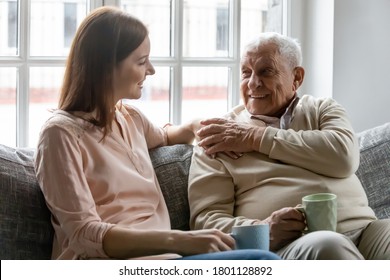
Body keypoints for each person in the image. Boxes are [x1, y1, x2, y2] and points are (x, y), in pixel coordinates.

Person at [34, 6, 280, 260]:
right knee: (262, 260)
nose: (151, 70)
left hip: (167, 261)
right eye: (141, 61)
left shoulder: (131, 119)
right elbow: (84, 234)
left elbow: (168, 136)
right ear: (106, 66)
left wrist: (199, 126)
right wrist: (181, 239)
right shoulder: (59, 135)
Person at [188, 32, 390, 260]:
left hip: (366, 231)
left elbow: (344, 158)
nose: (253, 83)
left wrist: (256, 137)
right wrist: (262, 229)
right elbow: (206, 221)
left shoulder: (322, 109)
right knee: (328, 245)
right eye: (246, 73)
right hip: (295, 244)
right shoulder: (219, 136)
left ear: (297, 78)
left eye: (266, 71)